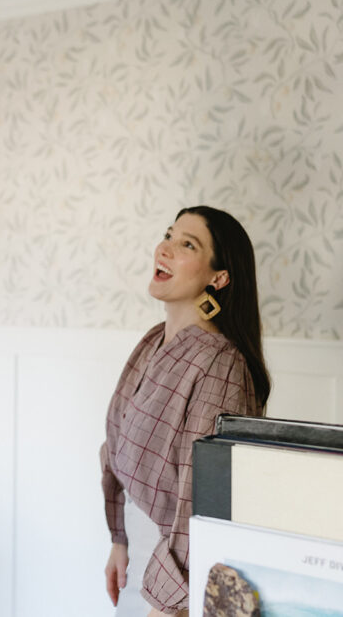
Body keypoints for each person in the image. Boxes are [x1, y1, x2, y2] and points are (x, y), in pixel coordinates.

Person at [99, 206, 271, 617]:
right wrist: (119, 539)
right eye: (169, 235)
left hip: (180, 579)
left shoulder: (221, 364)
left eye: (187, 244)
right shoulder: (152, 341)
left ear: (219, 278)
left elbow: (203, 498)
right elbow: (115, 447)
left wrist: (166, 604)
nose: (166, 248)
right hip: (138, 557)